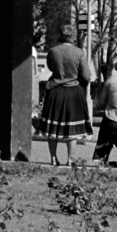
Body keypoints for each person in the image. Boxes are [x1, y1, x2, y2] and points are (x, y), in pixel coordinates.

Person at [39, 22, 95, 167]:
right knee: (72, 128)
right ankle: (70, 159)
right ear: (73, 37)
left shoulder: (53, 51)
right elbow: (87, 76)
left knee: (53, 128)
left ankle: (53, 157)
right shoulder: (79, 53)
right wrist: (80, 83)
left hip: (55, 91)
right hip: (73, 92)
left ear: (61, 36)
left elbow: (51, 67)